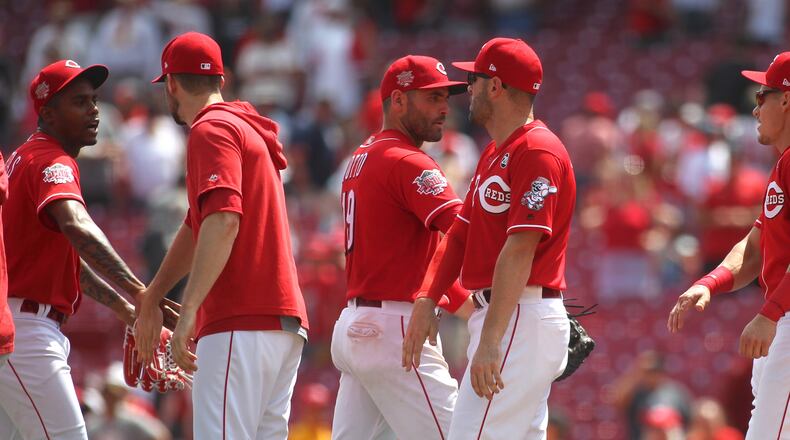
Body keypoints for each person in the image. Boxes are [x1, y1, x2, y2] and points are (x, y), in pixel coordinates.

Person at [134, 32, 309, 440]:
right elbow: (198, 225)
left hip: (238, 321)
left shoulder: (210, 129)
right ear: (221, 80)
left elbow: (223, 220)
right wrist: (154, 295)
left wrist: (189, 308)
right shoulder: (243, 128)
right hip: (281, 325)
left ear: (171, 84)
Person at [404, 37, 576, 439]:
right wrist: (429, 297)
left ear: (496, 87)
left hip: (518, 313)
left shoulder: (538, 150)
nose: (469, 90)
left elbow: (520, 249)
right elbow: (460, 234)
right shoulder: (498, 150)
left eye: (474, 79)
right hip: (509, 315)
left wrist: (492, 340)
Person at [0, 59, 148, 439]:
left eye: (94, 100)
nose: (94, 110)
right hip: (26, 332)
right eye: (79, 102)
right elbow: (78, 227)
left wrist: (126, 309)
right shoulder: (50, 158)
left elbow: (70, 260)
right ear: (48, 112)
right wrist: (141, 292)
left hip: (22, 325)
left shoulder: (25, 157)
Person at [331, 54, 472, 440]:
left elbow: (414, 259)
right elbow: (465, 232)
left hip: (360, 325)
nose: (444, 108)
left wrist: (469, 309)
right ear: (397, 101)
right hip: (395, 331)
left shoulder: (360, 157)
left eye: (446, 97)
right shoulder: (408, 160)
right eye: (431, 98)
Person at [668, 52, 790, 438]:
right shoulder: (783, 164)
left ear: (786, 99)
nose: (754, 109)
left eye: (761, 96)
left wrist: (770, 313)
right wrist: (711, 282)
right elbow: (756, 246)